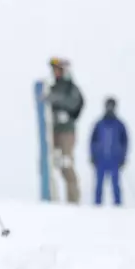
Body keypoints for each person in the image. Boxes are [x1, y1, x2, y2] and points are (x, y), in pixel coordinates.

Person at [46, 57, 84, 204]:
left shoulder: (71, 88)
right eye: (53, 70)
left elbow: (75, 103)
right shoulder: (52, 87)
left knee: (67, 163)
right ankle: (53, 197)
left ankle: (73, 199)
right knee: (55, 162)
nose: (55, 72)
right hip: (54, 131)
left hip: (67, 132)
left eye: (57, 69)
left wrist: (58, 102)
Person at [90, 97, 128, 206]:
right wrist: (93, 156)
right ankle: (97, 206)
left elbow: (125, 142)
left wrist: (123, 158)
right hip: (101, 159)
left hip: (114, 160)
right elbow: (92, 141)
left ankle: (118, 206)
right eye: (108, 105)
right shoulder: (99, 124)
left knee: (116, 185)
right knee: (99, 185)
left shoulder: (120, 125)